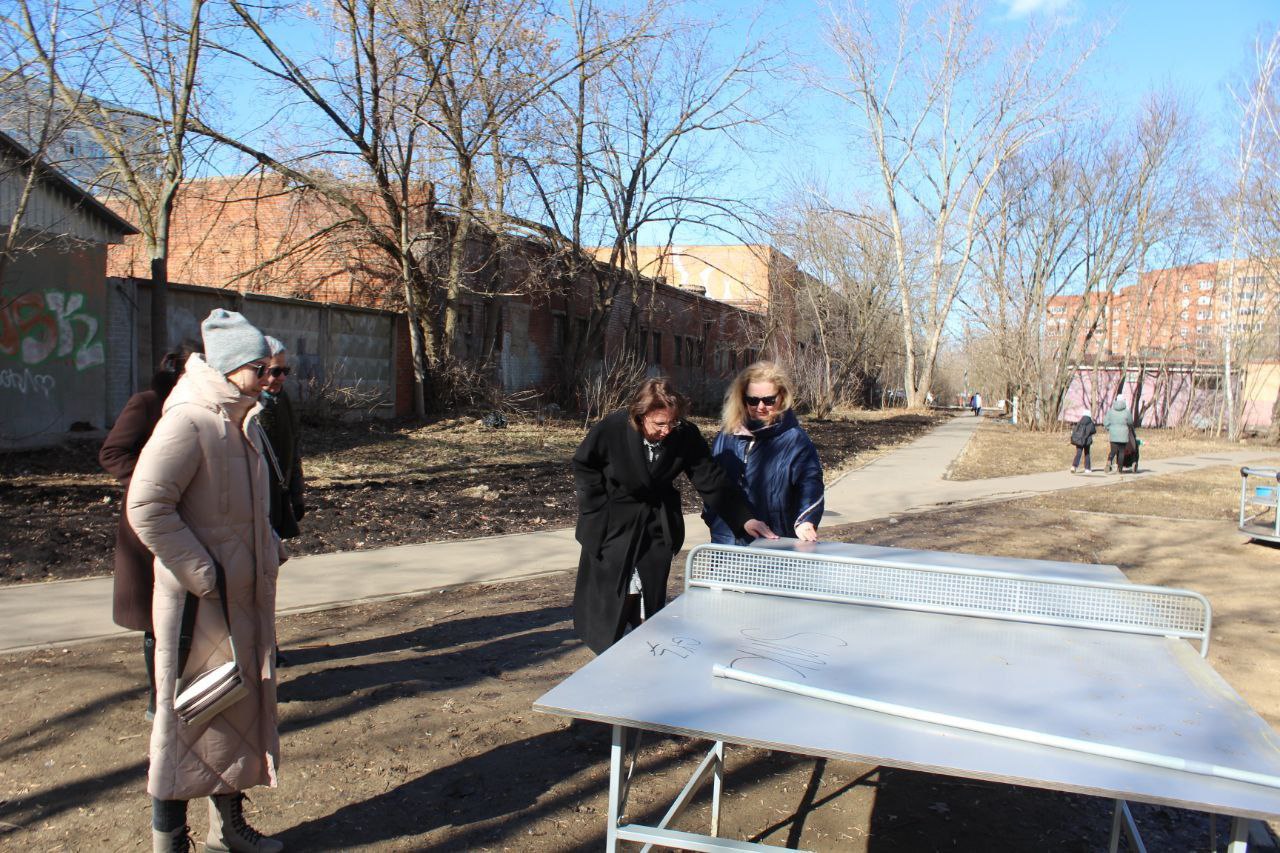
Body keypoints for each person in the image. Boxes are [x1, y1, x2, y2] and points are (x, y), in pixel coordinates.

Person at [127, 309, 285, 852]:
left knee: (231, 717)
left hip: (238, 598)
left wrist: (269, 548)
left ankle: (228, 832)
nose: (270, 377)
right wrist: (204, 574)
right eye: (261, 367)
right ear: (233, 367)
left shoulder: (239, 419)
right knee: (187, 719)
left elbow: (241, 511)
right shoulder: (189, 420)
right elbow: (147, 506)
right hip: (200, 608)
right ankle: (168, 841)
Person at [572, 377, 776, 653]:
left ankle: (646, 650)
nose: (667, 430)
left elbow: (710, 479)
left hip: (656, 522)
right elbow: (585, 464)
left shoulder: (684, 435)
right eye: (659, 424)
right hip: (613, 523)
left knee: (649, 593)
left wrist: (744, 518)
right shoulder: (613, 428)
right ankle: (608, 653)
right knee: (614, 598)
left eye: (673, 422)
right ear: (640, 416)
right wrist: (595, 508)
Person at [99, 344, 198, 721]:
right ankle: (157, 698)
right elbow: (112, 453)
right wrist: (150, 480)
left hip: (189, 520)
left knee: (186, 615)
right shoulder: (147, 402)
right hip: (148, 524)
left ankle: (186, 690)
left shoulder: (201, 406)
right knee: (155, 617)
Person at [705, 362, 823, 545]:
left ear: (781, 397)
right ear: (742, 398)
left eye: (768, 400)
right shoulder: (727, 435)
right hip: (727, 540)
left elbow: (810, 482)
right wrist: (712, 516)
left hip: (772, 540)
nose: (760, 407)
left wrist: (806, 519)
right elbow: (711, 481)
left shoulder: (795, 440)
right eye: (752, 400)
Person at [258, 337, 305, 540]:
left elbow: (292, 449)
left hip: (278, 500)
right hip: (256, 506)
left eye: (285, 371)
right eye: (276, 371)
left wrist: (296, 495)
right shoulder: (244, 407)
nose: (282, 378)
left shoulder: (282, 399)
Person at [1103, 396, 1133, 474]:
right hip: (1123, 434)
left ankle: (1109, 461)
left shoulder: (1111, 411)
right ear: (1123, 401)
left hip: (1113, 434)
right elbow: (1130, 422)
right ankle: (1119, 469)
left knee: (1113, 451)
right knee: (1122, 452)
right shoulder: (1126, 411)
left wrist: (1109, 428)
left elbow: (1105, 421)